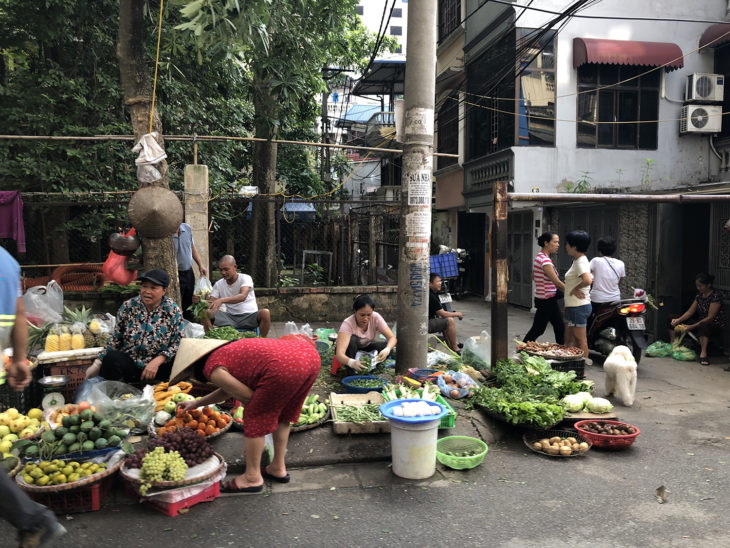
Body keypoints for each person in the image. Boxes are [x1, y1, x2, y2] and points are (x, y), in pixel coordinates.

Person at [173, 337, 321, 493]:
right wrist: (196, 404)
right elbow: (227, 390)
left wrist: (255, 441)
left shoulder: (211, 368)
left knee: (255, 414)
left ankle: (252, 477)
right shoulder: (226, 352)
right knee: (284, 415)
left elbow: (247, 397)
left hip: (284, 367)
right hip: (309, 358)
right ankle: (278, 467)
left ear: (193, 367)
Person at [0, 245, 67, 547]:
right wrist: (18, 360)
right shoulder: (7, 262)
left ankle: (34, 520)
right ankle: (34, 520)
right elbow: (19, 314)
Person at [85, 269, 183, 382]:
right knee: (112, 358)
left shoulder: (172, 310)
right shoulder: (129, 307)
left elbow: (178, 343)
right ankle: (117, 394)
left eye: (153, 288)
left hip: (158, 369)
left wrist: (158, 360)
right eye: (144, 286)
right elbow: (115, 339)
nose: (147, 291)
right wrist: (97, 363)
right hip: (131, 366)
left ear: (164, 290)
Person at [195, 255, 270, 337]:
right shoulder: (219, 284)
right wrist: (200, 301)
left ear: (235, 267)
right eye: (220, 270)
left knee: (265, 313)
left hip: (249, 317)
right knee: (204, 313)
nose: (223, 272)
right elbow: (211, 303)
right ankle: (214, 342)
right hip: (230, 318)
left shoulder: (245, 278)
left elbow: (242, 296)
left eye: (226, 269)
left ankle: (261, 341)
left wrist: (222, 300)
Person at [670, 273, 727, 367]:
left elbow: (710, 318)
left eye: (700, 286)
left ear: (708, 285)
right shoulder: (699, 296)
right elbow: (690, 312)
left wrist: (690, 327)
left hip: (713, 324)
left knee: (703, 325)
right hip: (700, 321)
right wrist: (678, 320)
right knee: (671, 317)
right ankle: (673, 344)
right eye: (697, 286)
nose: (698, 288)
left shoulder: (716, 296)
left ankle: (703, 353)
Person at [333, 294, 397, 373]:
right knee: (352, 340)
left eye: (369, 315)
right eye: (362, 315)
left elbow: (392, 338)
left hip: (365, 348)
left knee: (385, 346)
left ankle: (369, 369)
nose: (366, 319)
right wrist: (352, 362)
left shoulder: (376, 317)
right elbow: (339, 355)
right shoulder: (348, 323)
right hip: (350, 352)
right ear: (355, 311)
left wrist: (387, 349)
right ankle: (351, 371)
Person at [524, 232, 566, 345]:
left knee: (559, 327)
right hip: (546, 300)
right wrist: (571, 292)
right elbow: (557, 282)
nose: (558, 245)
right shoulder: (545, 260)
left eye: (558, 242)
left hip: (546, 299)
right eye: (555, 242)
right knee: (538, 329)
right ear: (546, 243)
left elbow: (533, 276)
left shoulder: (539, 257)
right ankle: (522, 348)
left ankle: (562, 350)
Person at [563, 230, 593, 364]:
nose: (565, 246)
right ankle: (571, 366)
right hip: (574, 307)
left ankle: (582, 370)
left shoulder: (580, 261)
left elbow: (587, 280)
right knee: (570, 339)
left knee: (580, 341)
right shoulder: (578, 260)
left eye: (567, 244)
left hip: (578, 307)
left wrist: (575, 289)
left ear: (574, 246)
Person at [174, 222, 208, 322]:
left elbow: (192, 247)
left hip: (188, 272)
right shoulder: (165, 233)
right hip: (175, 274)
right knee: (177, 303)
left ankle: (190, 328)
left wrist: (200, 264)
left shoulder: (186, 228)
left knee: (189, 304)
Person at [428, 273, 463, 352]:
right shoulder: (431, 296)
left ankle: (452, 345)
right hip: (425, 324)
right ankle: (455, 347)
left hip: (428, 320)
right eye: (437, 282)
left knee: (445, 321)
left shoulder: (433, 293)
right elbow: (443, 313)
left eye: (440, 281)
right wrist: (457, 314)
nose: (440, 283)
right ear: (430, 284)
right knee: (450, 320)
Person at [589, 237, 625, 307]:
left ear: (600, 249)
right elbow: (620, 280)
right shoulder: (621, 263)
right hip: (615, 299)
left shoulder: (595, 261)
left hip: (597, 300)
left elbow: (585, 274)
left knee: (590, 317)